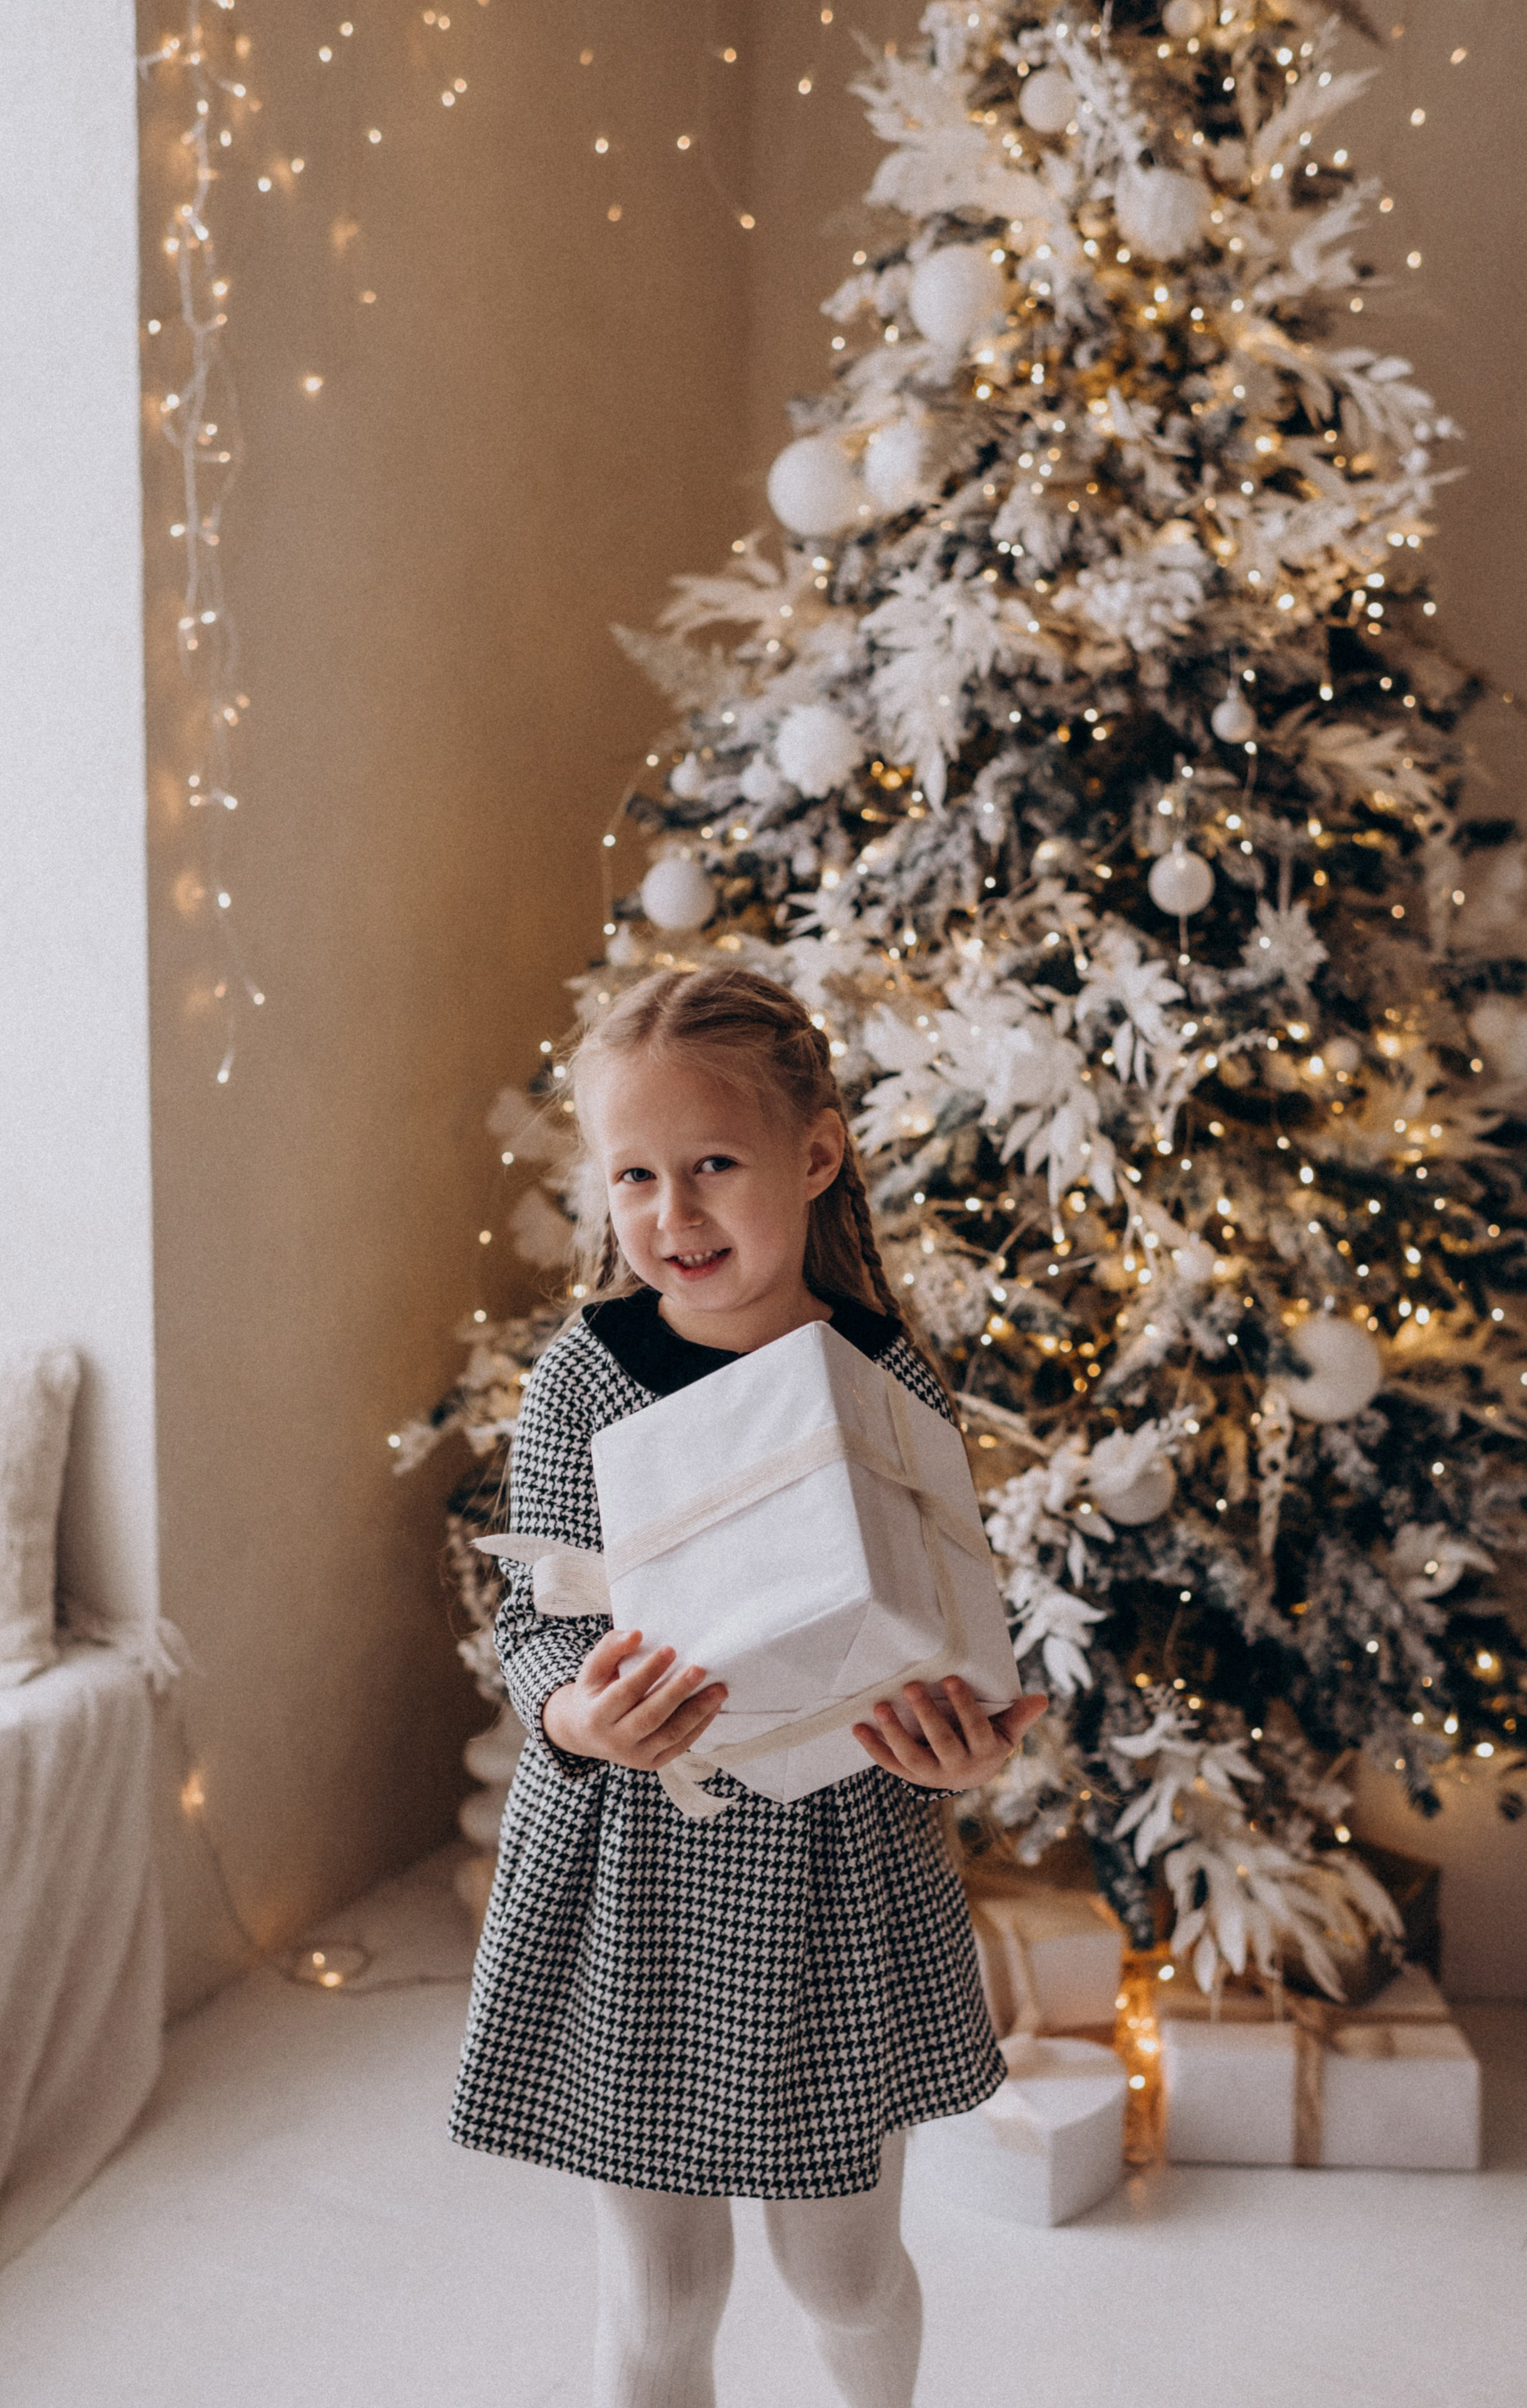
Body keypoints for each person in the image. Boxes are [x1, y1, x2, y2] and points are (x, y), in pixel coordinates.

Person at [449, 963, 1047, 2408]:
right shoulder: (583, 1380)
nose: (673, 1213)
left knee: (838, 2274)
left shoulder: (884, 1372)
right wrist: (576, 1715)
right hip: (634, 1881)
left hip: (836, 1881)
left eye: (712, 1164)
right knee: (662, 2292)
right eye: (634, 1176)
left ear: (814, 1154)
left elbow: (943, 1617)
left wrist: (967, 1751)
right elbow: (535, 1620)